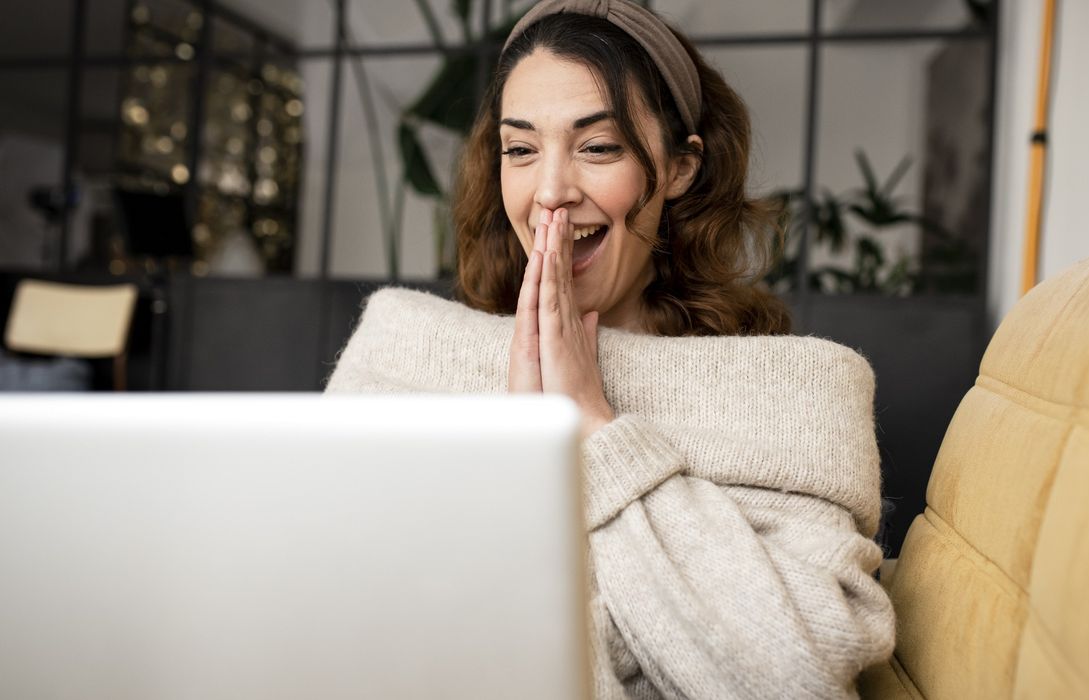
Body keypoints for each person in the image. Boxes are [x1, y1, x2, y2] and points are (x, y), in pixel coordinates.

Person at [327, 0, 896, 697]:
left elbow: (796, 672)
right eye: (520, 149)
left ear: (681, 167)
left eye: (598, 147)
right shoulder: (404, 347)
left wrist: (592, 428)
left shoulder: (796, 392)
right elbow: (320, 599)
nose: (550, 194)